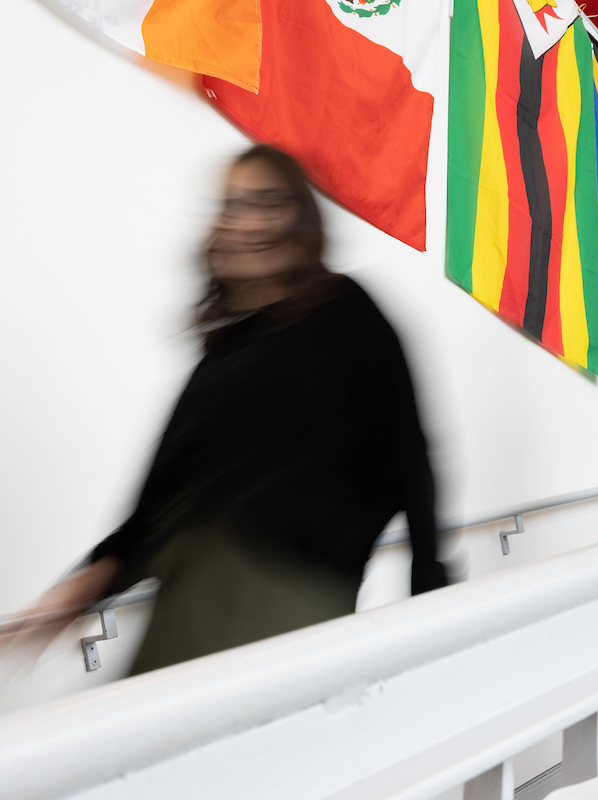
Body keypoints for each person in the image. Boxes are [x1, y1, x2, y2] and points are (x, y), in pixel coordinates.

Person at [19, 145, 447, 674]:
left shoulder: (347, 311)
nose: (248, 222)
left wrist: (431, 590)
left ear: (302, 216)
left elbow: (410, 455)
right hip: (187, 593)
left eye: (270, 202)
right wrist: (83, 585)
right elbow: (160, 498)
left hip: (291, 595)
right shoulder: (222, 355)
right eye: (233, 205)